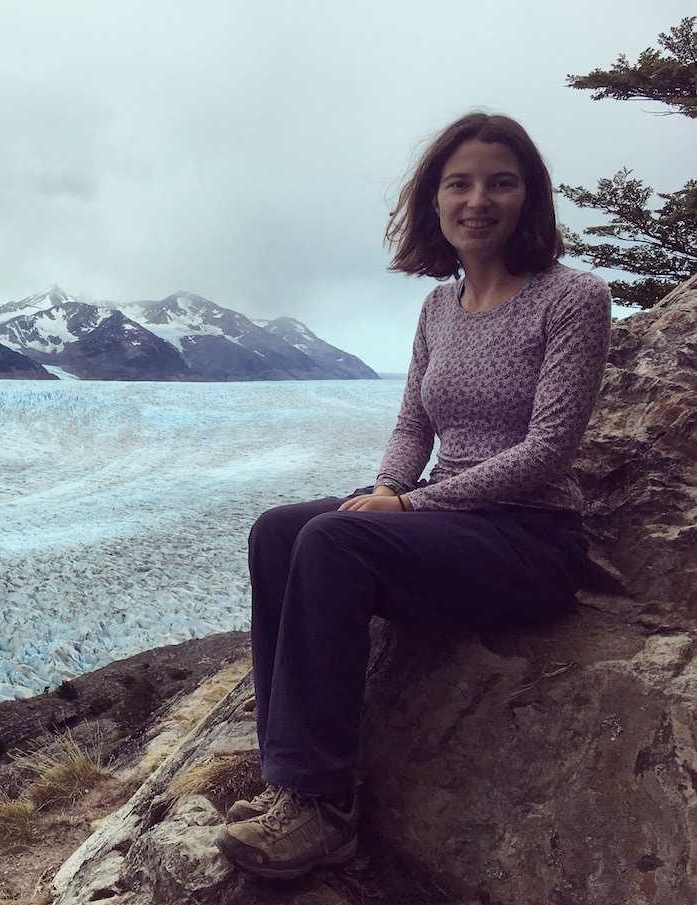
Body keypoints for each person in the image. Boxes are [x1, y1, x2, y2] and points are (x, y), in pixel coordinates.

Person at [214, 110, 613, 880]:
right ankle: (285, 776)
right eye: (459, 184)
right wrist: (391, 484)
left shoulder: (574, 298)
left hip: (530, 537)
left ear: (530, 197)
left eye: (501, 182)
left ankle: (323, 806)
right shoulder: (439, 307)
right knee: (277, 531)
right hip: (448, 523)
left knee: (334, 538)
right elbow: (410, 426)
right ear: (433, 201)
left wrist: (412, 505)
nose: (478, 200)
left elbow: (547, 451)